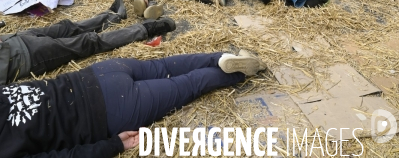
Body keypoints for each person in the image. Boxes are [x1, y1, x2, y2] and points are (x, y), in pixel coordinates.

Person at [0, 49, 264, 158]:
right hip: (97, 73)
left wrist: (115, 144)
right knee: (164, 65)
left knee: (185, 86)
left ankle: (241, 71)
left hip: (109, 111)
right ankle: (223, 56)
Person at [0, 0, 176, 86]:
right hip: (23, 57)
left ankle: (112, 16)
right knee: (88, 42)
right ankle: (147, 28)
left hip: (12, 39)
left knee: (66, 27)